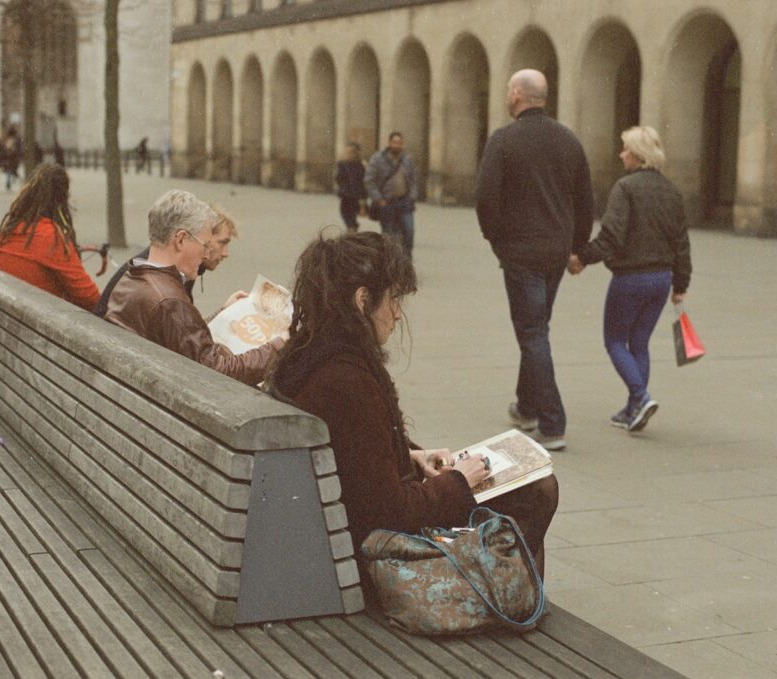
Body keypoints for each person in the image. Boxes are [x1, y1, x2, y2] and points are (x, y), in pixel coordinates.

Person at [268, 231, 558, 599]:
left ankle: (509, 595)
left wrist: (409, 455)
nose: (397, 313)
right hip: (370, 554)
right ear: (362, 300)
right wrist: (457, 481)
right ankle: (507, 600)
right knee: (537, 490)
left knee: (524, 484)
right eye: (392, 300)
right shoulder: (346, 378)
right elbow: (388, 511)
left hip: (338, 530)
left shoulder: (311, 352)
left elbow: (354, 451)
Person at [475, 69, 594, 452]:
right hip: (555, 251)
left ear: (515, 95)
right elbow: (585, 200)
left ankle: (552, 422)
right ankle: (526, 407)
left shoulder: (504, 141)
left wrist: (497, 241)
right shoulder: (568, 140)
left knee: (532, 332)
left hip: (521, 252)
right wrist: (577, 246)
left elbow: (485, 199)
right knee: (536, 327)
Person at [567, 126, 691, 432]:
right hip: (661, 279)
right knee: (639, 342)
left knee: (614, 341)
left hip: (631, 279)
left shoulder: (626, 188)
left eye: (625, 149)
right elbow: (681, 242)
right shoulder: (672, 192)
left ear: (637, 154)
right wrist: (681, 284)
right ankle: (632, 410)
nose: (621, 154)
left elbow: (611, 237)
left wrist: (581, 257)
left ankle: (641, 396)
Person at [104, 190, 281, 385]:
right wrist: (278, 347)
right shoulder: (168, 300)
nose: (206, 255)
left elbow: (182, 337)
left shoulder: (134, 275)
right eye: (205, 245)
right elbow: (218, 372)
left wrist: (223, 313)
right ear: (180, 240)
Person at [94, 205, 242, 317]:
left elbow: (187, 336)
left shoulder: (157, 264)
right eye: (222, 243)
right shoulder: (167, 279)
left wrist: (223, 313)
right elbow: (192, 345)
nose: (225, 253)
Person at [0, 164, 100, 311]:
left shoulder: (10, 229)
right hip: (37, 322)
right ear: (61, 199)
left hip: (11, 318)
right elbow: (90, 298)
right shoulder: (50, 237)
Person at [364, 132, 418, 258]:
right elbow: (369, 180)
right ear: (389, 143)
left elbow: (414, 179)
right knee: (389, 235)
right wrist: (378, 199)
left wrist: (412, 197)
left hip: (404, 202)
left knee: (409, 231)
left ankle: (406, 260)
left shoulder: (407, 159)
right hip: (386, 202)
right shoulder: (377, 159)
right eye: (395, 142)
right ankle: (390, 262)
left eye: (400, 143)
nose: (397, 145)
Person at [335, 143, 366, 233]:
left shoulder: (358, 165)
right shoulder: (344, 164)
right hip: (350, 195)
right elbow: (338, 178)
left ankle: (352, 228)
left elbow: (362, 181)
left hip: (351, 195)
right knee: (347, 214)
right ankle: (352, 228)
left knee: (348, 214)